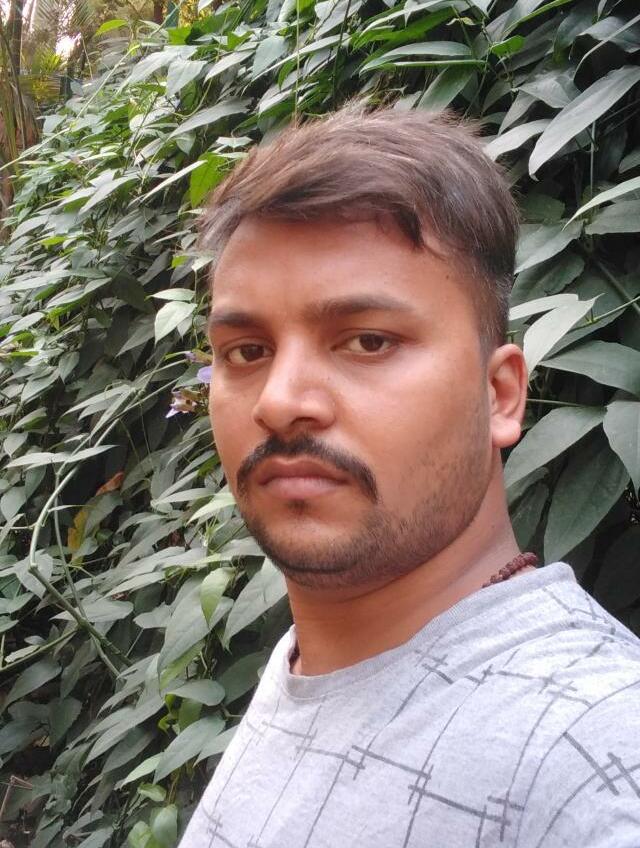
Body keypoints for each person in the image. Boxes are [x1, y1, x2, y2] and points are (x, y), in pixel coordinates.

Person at [178, 106, 640, 847]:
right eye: (247, 351)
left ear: (500, 396)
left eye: (367, 341)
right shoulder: (312, 667)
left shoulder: (594, 755)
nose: (279, 402)